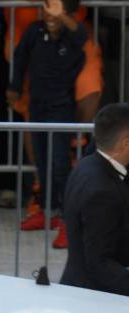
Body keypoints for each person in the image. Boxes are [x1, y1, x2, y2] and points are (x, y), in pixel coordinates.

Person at [9, 0, 86, 249]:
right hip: (37, 105)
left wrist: (61, 16)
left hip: (61, 108)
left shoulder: (73, 36)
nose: (50, 14)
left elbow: (81, 33)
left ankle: (67, 220)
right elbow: (19, 59)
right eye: (47, 7)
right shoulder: (34, 31)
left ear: (70, 13)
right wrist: (14, 86)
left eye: (58, 9)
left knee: (60, 163)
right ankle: (46, 210)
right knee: (42, 162)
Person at [60, 104, 129, 297]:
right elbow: (99, 264)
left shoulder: (88, 164)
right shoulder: (103, 191)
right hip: (93, 298)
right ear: (125, 143)